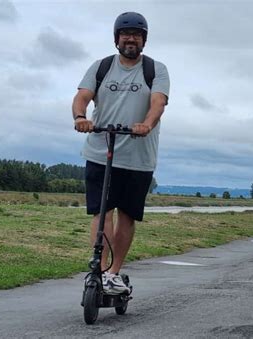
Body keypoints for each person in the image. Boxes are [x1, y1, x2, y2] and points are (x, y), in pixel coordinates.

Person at [72, 11, 170, 294]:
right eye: (126, 34)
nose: (131, 39)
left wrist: (146, 124)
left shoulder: (155, 69)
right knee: (101, 213)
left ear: (144, 40)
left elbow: (158, 102)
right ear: (117, 39)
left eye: (137, 35)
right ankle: (99, 271)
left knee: (126, 214)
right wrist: (81, 117)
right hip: (100, 151)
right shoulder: (102, 67)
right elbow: (82, 96)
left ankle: (114, 273)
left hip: (138, 157)